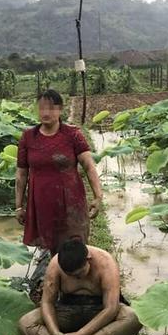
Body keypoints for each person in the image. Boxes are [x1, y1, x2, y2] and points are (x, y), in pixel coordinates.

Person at [18, 239, 141, 335]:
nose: (77, 279)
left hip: (99, 312)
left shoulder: (106, 262)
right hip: (67, 310)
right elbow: (47, 303)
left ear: (88, 259)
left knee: (133, 317)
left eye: (79, 273)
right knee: (26, 323)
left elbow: (111, 308)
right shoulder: (55, 264)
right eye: (71, 276)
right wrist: (55, 334)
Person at [15, 89, 103, 255]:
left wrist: (98, 196)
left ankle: (78, 277)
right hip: (42, 201)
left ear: (61, 109)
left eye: (51, 108)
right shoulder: (28, 137)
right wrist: (19, 206)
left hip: (70, 201)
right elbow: (21, 174)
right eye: (41, 108)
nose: (46, 112)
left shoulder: (73, 135)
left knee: (75, 246)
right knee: (52, 246)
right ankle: (55, 276)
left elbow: (89, 166)